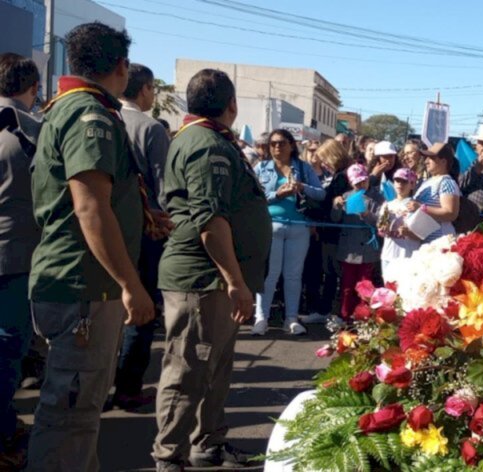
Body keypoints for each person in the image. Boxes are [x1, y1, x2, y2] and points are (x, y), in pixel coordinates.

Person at [27, 22, 155, 472]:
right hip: (83, 285)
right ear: (121, 66)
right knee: (71, 416)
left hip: (75, 282)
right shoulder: (90, 115)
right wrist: (130, 282)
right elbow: (90, 209)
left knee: (77, 415)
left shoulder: (66, 106)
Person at [153, 68, 270, 471]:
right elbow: (210, 220)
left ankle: (209, 444)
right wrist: (235, 281)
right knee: (187, 372)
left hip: (215, 279)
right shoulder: (208, 146)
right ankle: (169, 458)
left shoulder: (207, 139)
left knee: (214, 370)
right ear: (231, 104)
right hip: (203, 279)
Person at [112, 62, 171, 411]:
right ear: (146, 89)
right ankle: (128, 386)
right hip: (144, 231)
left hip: (104, 231)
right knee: (142, 310)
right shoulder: (149, 128)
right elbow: (164, 186)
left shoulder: (109, 118)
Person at [0, 52, 41, 469]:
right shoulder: (27, 132)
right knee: (9, 346)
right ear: (32, 88)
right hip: (12, 254)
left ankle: (7, 422)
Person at [252, 129, 325, 336]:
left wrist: (302, 187)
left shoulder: (303, 167)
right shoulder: (261, 168)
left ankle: (291, 319)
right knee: (269, 274)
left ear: (291, 145)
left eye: (282, 143)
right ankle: (261, 318)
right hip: (271, 225)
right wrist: (277, 194)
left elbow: (321, 193)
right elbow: (253, 197)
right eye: (273, 143)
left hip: (299, 226)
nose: (277, 147)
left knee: (293, 275)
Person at [299, 139, 351, 325]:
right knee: (329, 272)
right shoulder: (340, 175)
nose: (324, 164)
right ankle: (325, 309)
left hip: (335, 231)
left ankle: (333, 311)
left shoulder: (342, 177)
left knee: (333, 273)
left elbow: (329, 204)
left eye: (325, 160)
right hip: (330, 230)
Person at [333, 164, 383, 319]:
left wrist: (366, 214)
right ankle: (345, 316)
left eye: (363, 181)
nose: (361, 185)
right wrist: (336, 206)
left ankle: (364, 317)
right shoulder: (346, 196)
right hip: (348, 249)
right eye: (357, 183)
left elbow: (381, 222)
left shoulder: (378, 197)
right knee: (347, 286)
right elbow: (335, 219)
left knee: (366, 286)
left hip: (367, 249)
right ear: (350, 183)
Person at [410, 142, 461, 244]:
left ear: (443, 161)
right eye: (426, 158)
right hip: (425, 243)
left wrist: (421, 208)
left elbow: (451, 213)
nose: (426, 161)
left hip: (440, 243)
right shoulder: (428, 182)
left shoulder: (446, 182)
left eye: (431, 158)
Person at [378, 168, 421, 281]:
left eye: (404, 181)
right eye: (397, 181)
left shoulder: (416, 206)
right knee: (388, 293)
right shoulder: (387, 205)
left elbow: (423, 235)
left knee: (404, 294)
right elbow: (381, 231)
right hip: (388, 256)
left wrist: (409, 233)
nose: (400, 184)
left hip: (408, 256)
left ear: (412, 184)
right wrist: (383, 229)